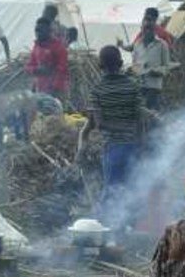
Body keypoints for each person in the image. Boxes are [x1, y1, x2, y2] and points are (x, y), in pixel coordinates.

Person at [83, 46, 142, 213]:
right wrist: (137, 139)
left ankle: (104, 227)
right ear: (122, 63)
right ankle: (128, 226)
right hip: (132, 146)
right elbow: (140, 120)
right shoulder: (133, 86)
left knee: (112, 190)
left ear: (100, 66)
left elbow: (99, 123)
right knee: (132, 189)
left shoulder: (97, 90)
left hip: (113, 147)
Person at [24, 17, 70, 103]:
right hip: (40, 89)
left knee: (54, 113)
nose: (37, 33)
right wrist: (36, 70)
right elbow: (28, 66)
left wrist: (53, 86)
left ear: (49, 31)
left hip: (56, 91)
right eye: (36, 30)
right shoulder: (36, 46)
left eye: (40, 30)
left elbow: (62, 69)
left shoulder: (59, 47)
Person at [130, 20, 172, 110]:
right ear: (142, 30)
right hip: (140, 84)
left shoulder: (162, 45)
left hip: (154, 85)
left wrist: (155, 71)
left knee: (151, 110)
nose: (147, 32)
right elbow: (134, 65)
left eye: (150, 29)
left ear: (154, 31)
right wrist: (138, 70)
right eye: (144, 29)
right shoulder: (137, 45)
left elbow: (166, 67)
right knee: (139, 110)